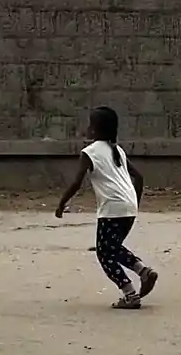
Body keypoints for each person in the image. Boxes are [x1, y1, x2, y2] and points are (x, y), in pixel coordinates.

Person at [55, 106, 159, 309]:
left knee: (104, 253)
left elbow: (77, 182)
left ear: (95, 130)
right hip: (128, 207)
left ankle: (130, 294)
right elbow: (139, 177)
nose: (87, 128)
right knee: (112, 249)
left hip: (112, 208)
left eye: (90, 124)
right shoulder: (117, 150)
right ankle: (144, 272)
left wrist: (61, 204)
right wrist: (134, 202)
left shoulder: (89, 152)